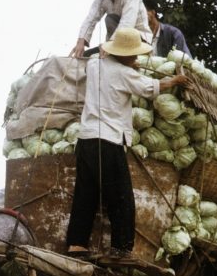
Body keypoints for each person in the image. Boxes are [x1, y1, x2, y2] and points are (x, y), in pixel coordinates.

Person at [65, 27, 188, 257]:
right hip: (109, 142)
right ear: (122, 55)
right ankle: (121, 248)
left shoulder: (94, 65)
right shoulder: (125, 74)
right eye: (132, 54)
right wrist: (174, 81)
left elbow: (96, 56)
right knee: (121, 198)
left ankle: (76, 244)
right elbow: (150, 87)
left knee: (85, 195)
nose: (135, 58)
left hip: (86, 140)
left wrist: (122, 61)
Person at [71, 0, 152, 59]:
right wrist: (81, 41)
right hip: (116, 44)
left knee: (110, 19)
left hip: (140, 40)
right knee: (86, 56)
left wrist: (109, 45)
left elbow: (127, 24)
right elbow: (91, 19)